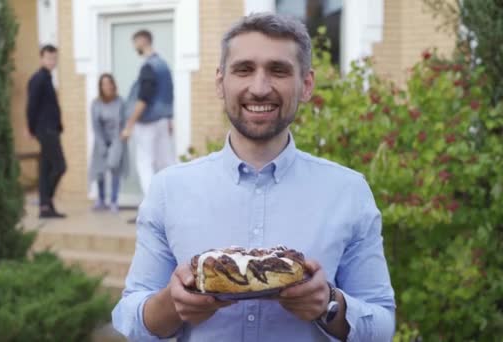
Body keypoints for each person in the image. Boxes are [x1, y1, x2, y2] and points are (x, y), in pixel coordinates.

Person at [112, 13, 395, 341]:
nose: (259, 88)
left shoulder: (349, 192)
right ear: (221, 82)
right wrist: (173, 304)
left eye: (278, 70)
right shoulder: (168, 189)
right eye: (244, 69)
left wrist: (329, 304)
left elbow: (382, 324)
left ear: (306, 85)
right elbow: (130, 318)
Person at [121, 29, 175, 198]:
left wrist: (129, 125)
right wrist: (169, 120)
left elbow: (143, 98)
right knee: (166, 162)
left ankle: (152, 208)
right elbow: (168, 94)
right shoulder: (163, 64)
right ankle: (173, 202)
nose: (134, 47)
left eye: (135, 43)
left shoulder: (149, 66)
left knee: (145, 164)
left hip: (147, 123)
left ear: (142, 41)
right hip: (162, 121)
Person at [26, 44, 66, 219]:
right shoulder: (38, 79)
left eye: (54, 58)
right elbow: (31, 105)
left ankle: (45, 208)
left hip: (51, 129)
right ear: (42, 58)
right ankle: (45, 201)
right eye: (49, 58)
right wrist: (30, 128)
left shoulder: (47, 78)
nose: (52, 61)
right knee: (59, 166)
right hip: (45, 130)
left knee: (46, 168)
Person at [88, 73, 129, 214]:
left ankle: (114, 201)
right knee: (99, 170)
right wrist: (101, 144)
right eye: (103, 84)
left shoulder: (120, 102)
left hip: (117, 139)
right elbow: (95, 125)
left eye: (109, 83)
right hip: (101, 139)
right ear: (100, 86)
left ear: (113, 85)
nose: (107, 86)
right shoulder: (96, 103)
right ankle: (101, 199)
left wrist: (119, 141)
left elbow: (124, 123)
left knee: (114, 167)